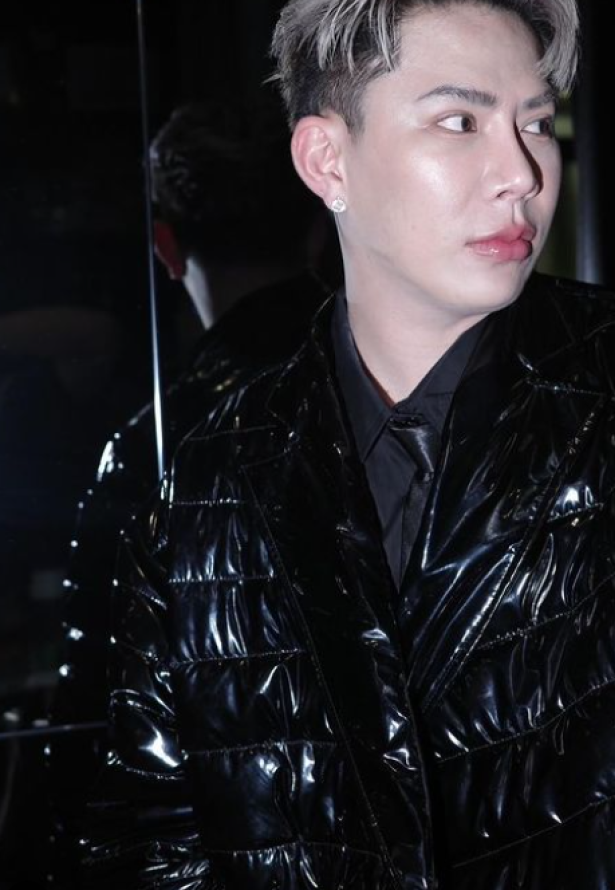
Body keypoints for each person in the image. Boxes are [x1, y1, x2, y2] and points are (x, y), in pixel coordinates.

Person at [84, 0, 615, 889]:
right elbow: (145, 845)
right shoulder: (206, 483)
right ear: (327, 160)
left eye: (535, 122)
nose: (522, 173)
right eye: (459, 122)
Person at [47, 98, 330, 884]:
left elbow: (95, 723)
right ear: (318, 223)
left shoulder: (153, 450)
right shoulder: (418, 390)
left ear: (166, 247)